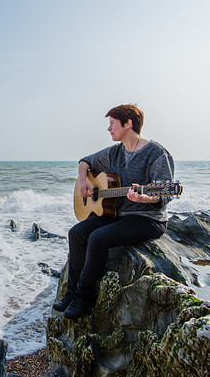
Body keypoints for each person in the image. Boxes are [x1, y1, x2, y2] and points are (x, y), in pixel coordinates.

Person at [53, 104, 175, 319]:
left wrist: (144, 197)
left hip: (147, 219)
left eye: (112, 124)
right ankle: (71, 293)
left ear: (127, 124)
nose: (108, 129)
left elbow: (164, 194)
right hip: (117, 215)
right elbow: (84, 161)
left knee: (98, 238)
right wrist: (84, 182)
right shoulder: (115, 152)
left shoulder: (156, 153)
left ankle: (85, 297)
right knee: (76, 233)